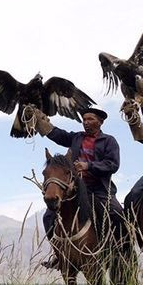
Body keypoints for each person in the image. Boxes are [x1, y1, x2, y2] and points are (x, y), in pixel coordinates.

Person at [34, 105, 122, 269]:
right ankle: (58, 255)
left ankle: (116, 252)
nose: (86, 122)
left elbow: (113, 164)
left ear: (100, 122)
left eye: (91, 119)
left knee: (116, 213)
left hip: (99, 190)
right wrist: (39, 120)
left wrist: (88, 166)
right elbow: (57, 134)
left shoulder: (109, 141)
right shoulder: (76, 138)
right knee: (48, 217)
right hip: (73, 191)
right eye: (84, 119)